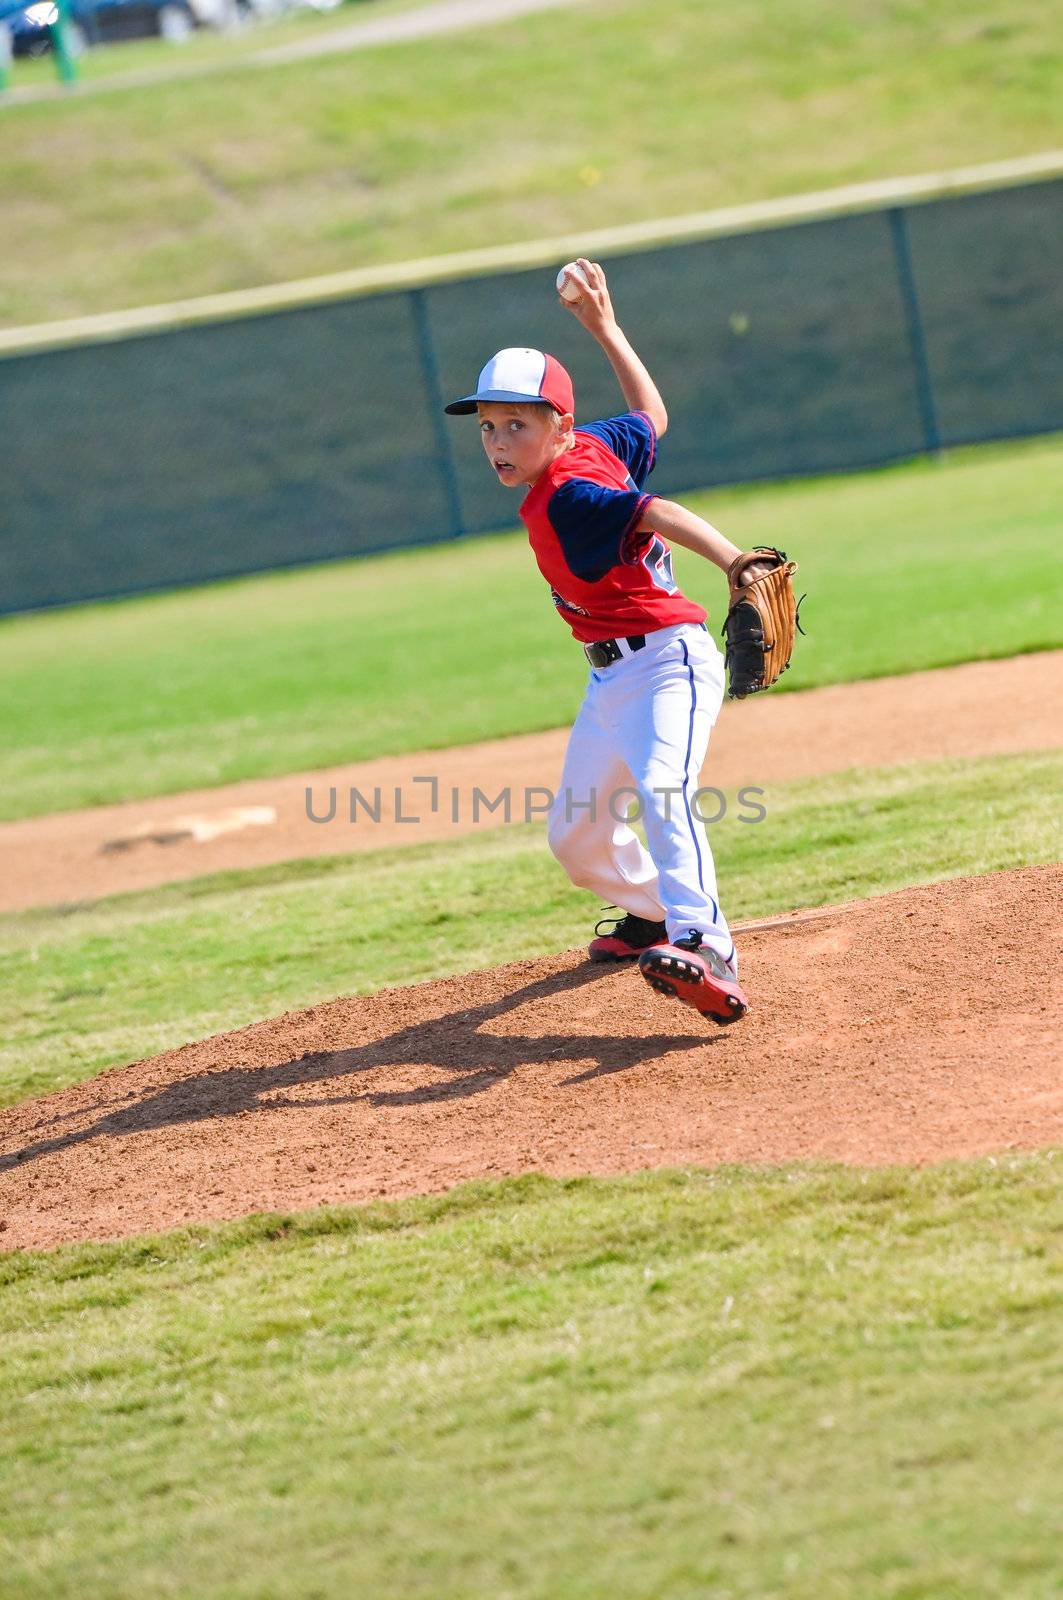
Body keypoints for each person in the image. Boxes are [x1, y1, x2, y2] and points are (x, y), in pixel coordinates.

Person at [444, 259, 773, 1024]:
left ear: (557, 426)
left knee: (664, 792)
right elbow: (650, 415)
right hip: (609, 680)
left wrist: (734, 563)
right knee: (575, 838)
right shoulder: (591, 446)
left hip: (667, 662)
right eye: (488, 426)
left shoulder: (572, 494)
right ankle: (653, 915)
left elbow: (657, 511)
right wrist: (604, 329)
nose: (498, 440)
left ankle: (706, 947)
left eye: (516, 424)